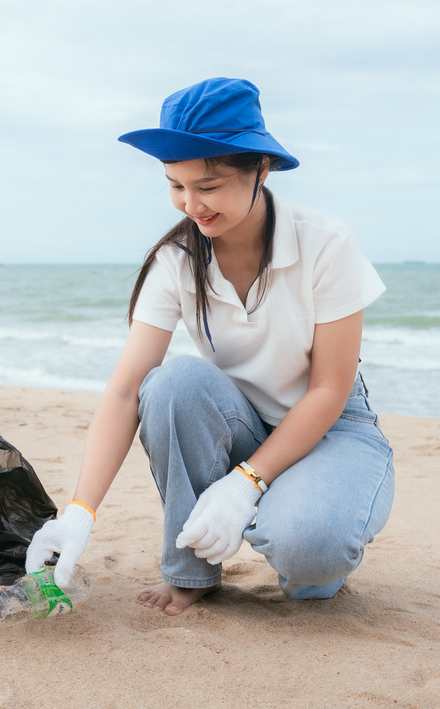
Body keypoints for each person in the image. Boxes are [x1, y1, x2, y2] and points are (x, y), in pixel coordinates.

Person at [25, 78, 393, 614]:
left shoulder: (326, 243)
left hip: (330, 426)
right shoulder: (175, 260)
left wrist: (244, 485)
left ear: (260, 169)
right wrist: (79, 512)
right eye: (176, 185)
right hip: (240, 420)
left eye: (209, 185)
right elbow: (126, 391)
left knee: (310, 550)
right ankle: (192, 574)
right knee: (173, 383)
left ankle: (301, 539)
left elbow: (329, 389)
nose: (191, 204)